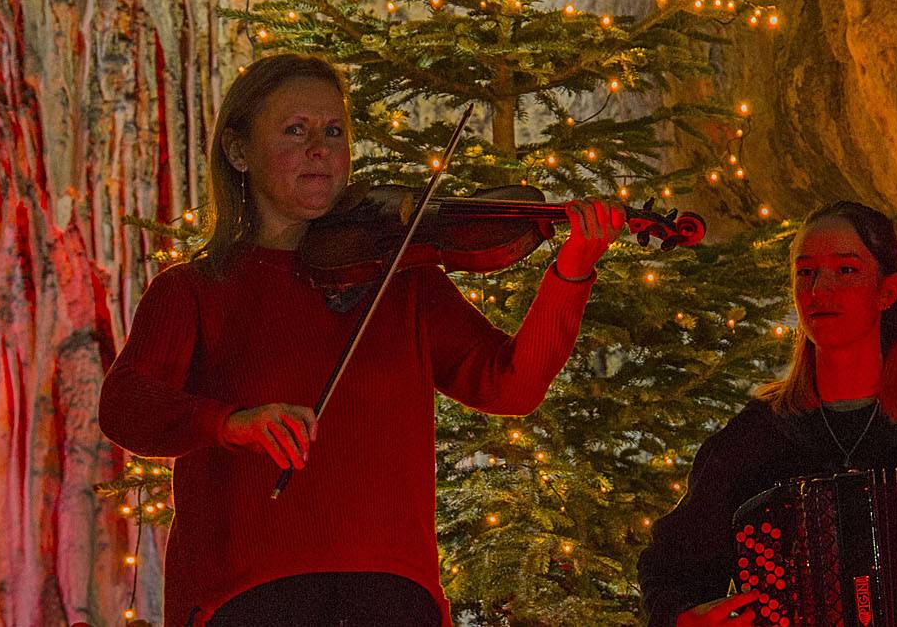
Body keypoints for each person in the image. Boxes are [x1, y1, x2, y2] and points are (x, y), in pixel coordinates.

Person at [97, 54, 626, 627]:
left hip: (394, 593)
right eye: (295, 131)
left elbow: (509, 386)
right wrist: (231, 423)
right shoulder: (195, 289)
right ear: (238, 151)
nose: (320, 148)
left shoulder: (401, 276)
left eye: (334, 132)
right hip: (244, 594)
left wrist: (571, 271)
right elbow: (125, 407)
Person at [636, 201, 897, 627]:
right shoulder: (752, 441)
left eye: (846, 270)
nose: (820, 290)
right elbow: (669, 573)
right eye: (806, 272)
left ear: (887, 292)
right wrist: (685, 619)